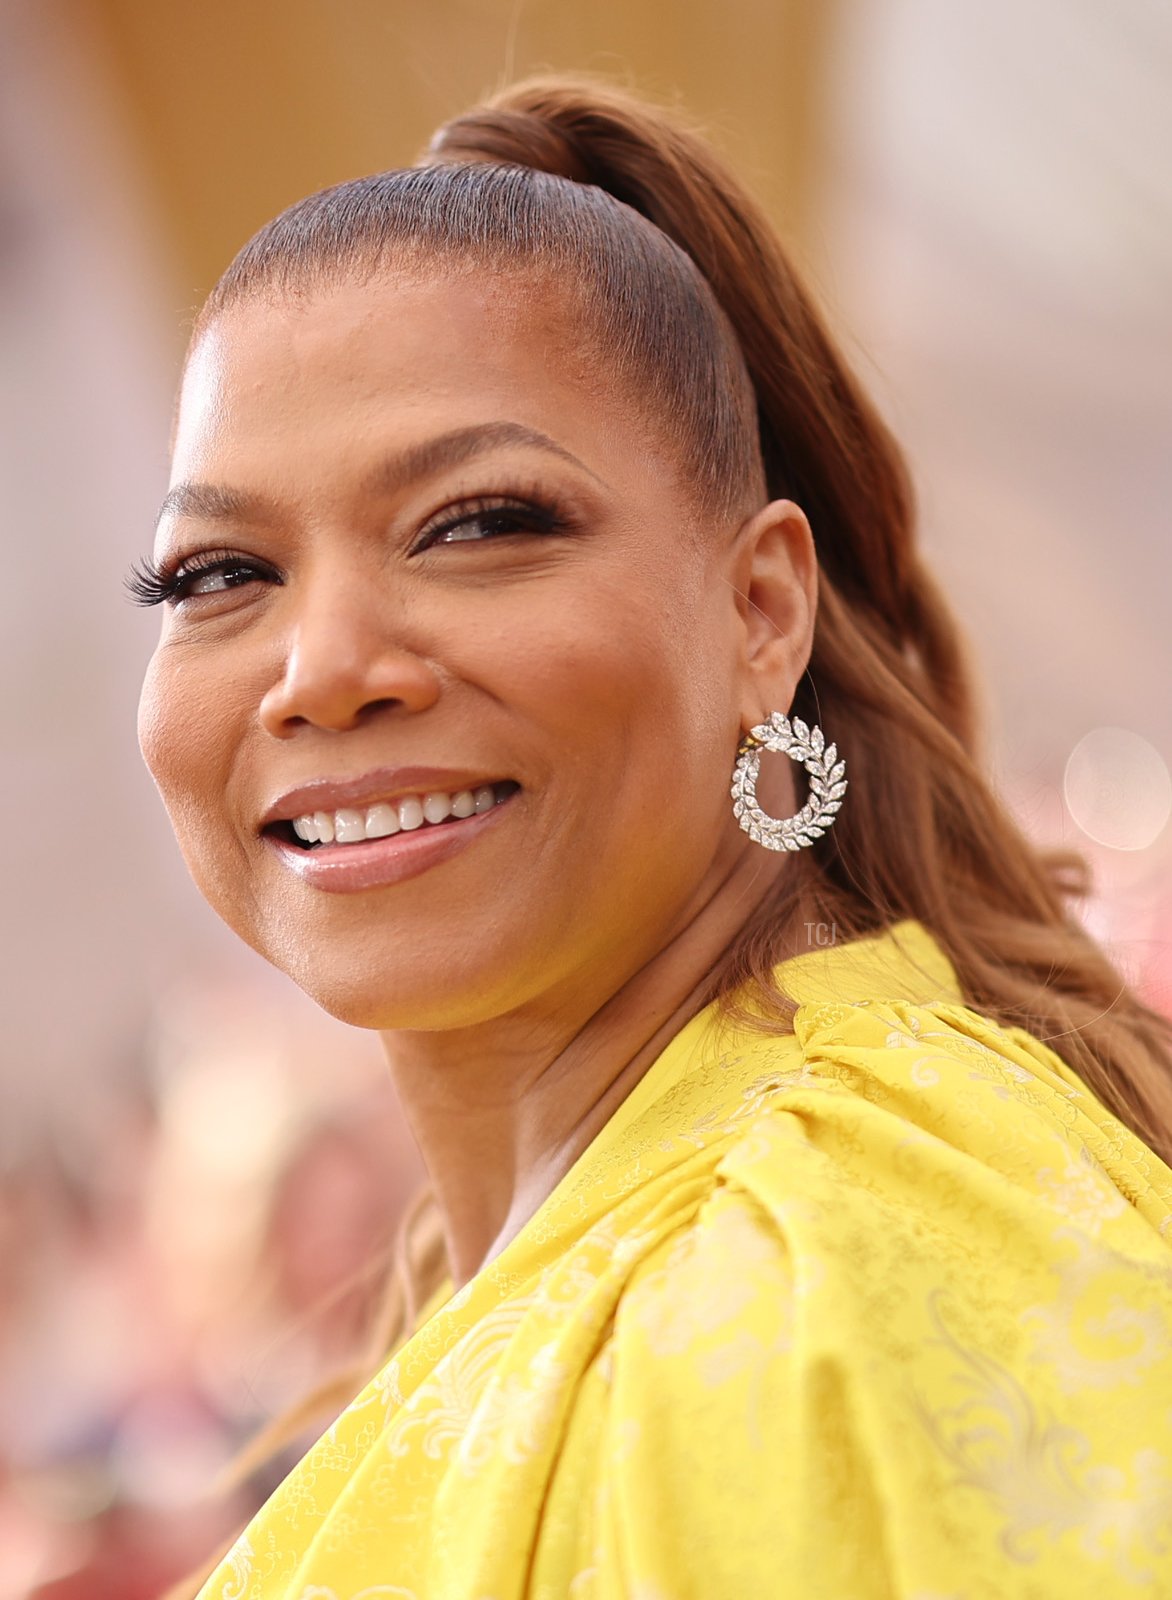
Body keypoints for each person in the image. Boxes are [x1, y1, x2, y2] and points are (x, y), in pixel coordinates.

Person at [132, 73, 1172, 1600]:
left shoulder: (819, 1262)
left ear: (762, 612)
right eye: (217, 572)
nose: (323, 668)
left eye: (479, 524)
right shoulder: (627, 1243)